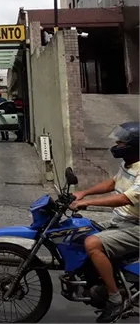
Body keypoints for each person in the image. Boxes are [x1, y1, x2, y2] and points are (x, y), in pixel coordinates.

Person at [70, 121, 140, 323]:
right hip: (122, 222)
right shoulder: (129, 165)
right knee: (83, 233)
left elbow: (124, 198)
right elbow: (113, 182)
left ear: (134, 146)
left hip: (135, 227)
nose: (116, 145)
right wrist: (84, 192)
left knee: (92, 243)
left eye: (121, 142)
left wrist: (87, 203)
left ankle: (115, 299)